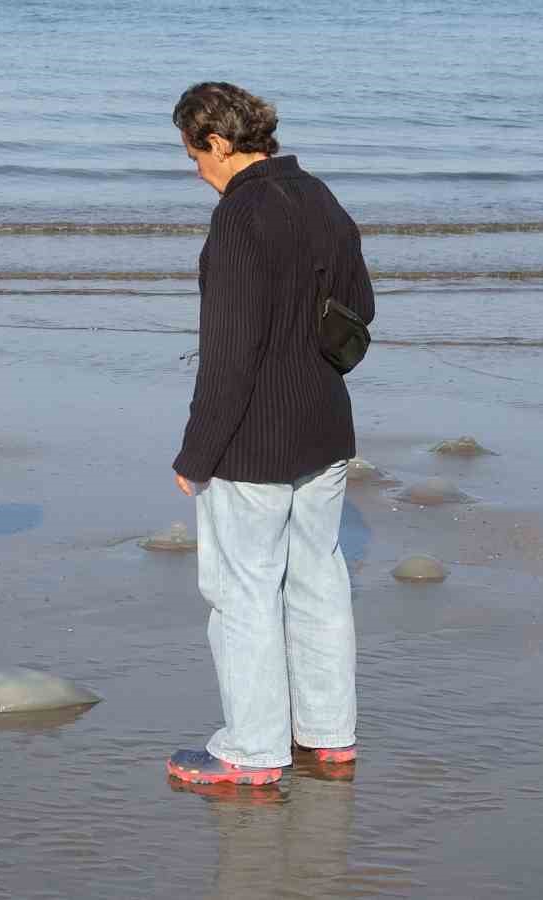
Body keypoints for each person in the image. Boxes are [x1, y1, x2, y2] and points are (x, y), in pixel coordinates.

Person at [164, 83, 376, 786]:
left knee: (242, 589)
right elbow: (361, 308)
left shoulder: (238, 219)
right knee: (320, 579)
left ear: (218, 143)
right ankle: (328, 735)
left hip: (254, 438)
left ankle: (251, 752)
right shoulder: (318, 196)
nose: (194, 167)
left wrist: (197, 454)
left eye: (194, 152)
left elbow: (230, 353)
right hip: (324, 425)